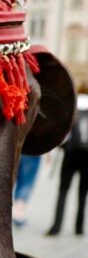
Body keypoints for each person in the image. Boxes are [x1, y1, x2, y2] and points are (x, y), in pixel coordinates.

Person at [46, 95, 88, 236]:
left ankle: (56, 227)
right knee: (83, 193)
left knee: (63, 191)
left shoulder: (73, 106)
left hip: (70, 155)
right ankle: (79, 228)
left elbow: (63, 132)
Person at [12, 155, 40, 227]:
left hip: (13, 149)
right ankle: (18, 212)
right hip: (32, 151)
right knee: (27, 181)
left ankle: (16, 210)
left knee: (9, 179)